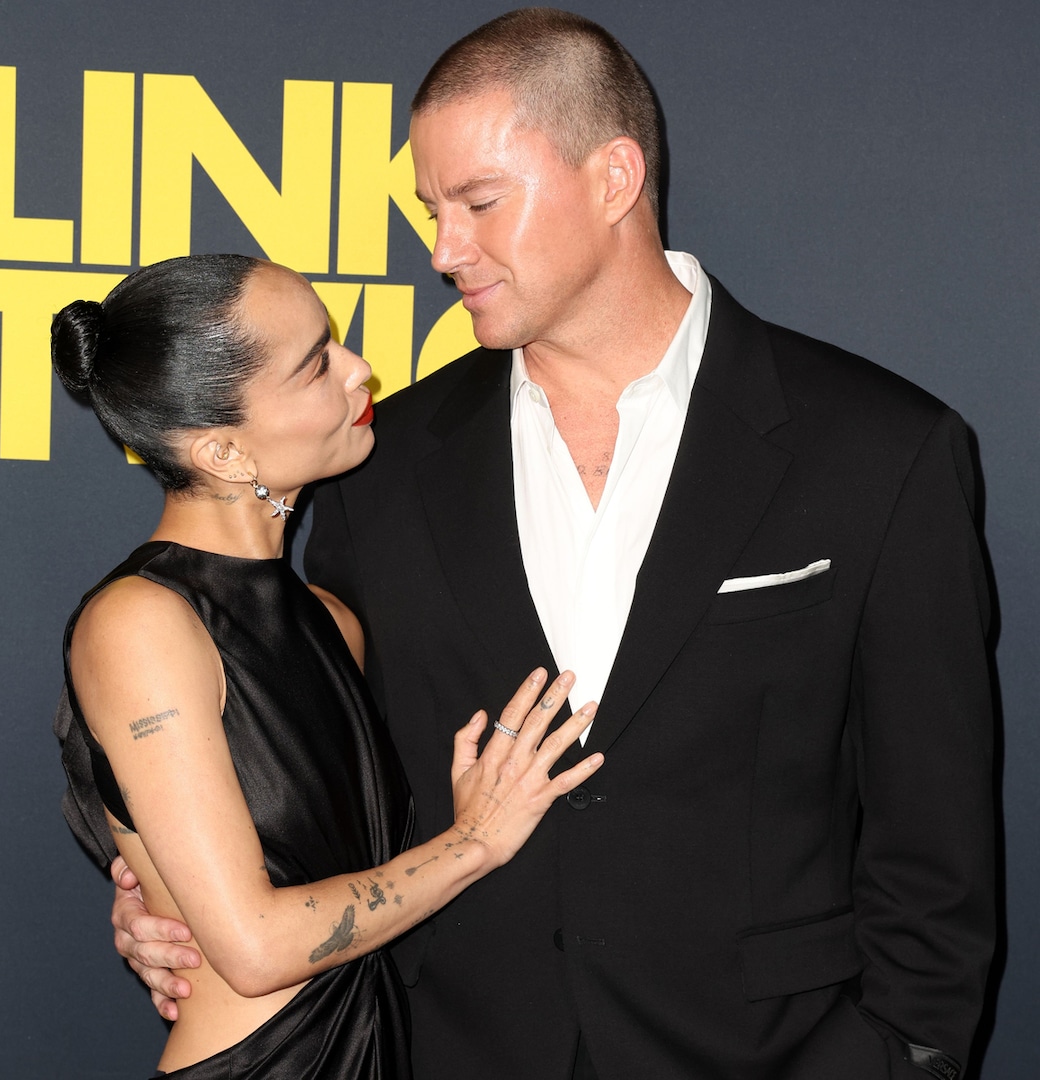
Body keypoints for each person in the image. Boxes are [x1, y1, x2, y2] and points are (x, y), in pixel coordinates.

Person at [111, 9, 995, 1079]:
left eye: (481, 202)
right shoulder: (381, 465)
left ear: (614, 177)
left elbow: (936, 844)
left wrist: (902, 1058)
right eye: (432, 211)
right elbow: (335, 775)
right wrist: (173, 890)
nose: (444, 251)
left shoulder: (878, 450)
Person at [51, 252, 603, 1078]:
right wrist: (474, 841)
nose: (359, 370)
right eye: (315, 365)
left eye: (335, 343)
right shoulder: (140, 624)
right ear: (224, 452)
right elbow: (255, 948)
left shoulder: (334, 623)